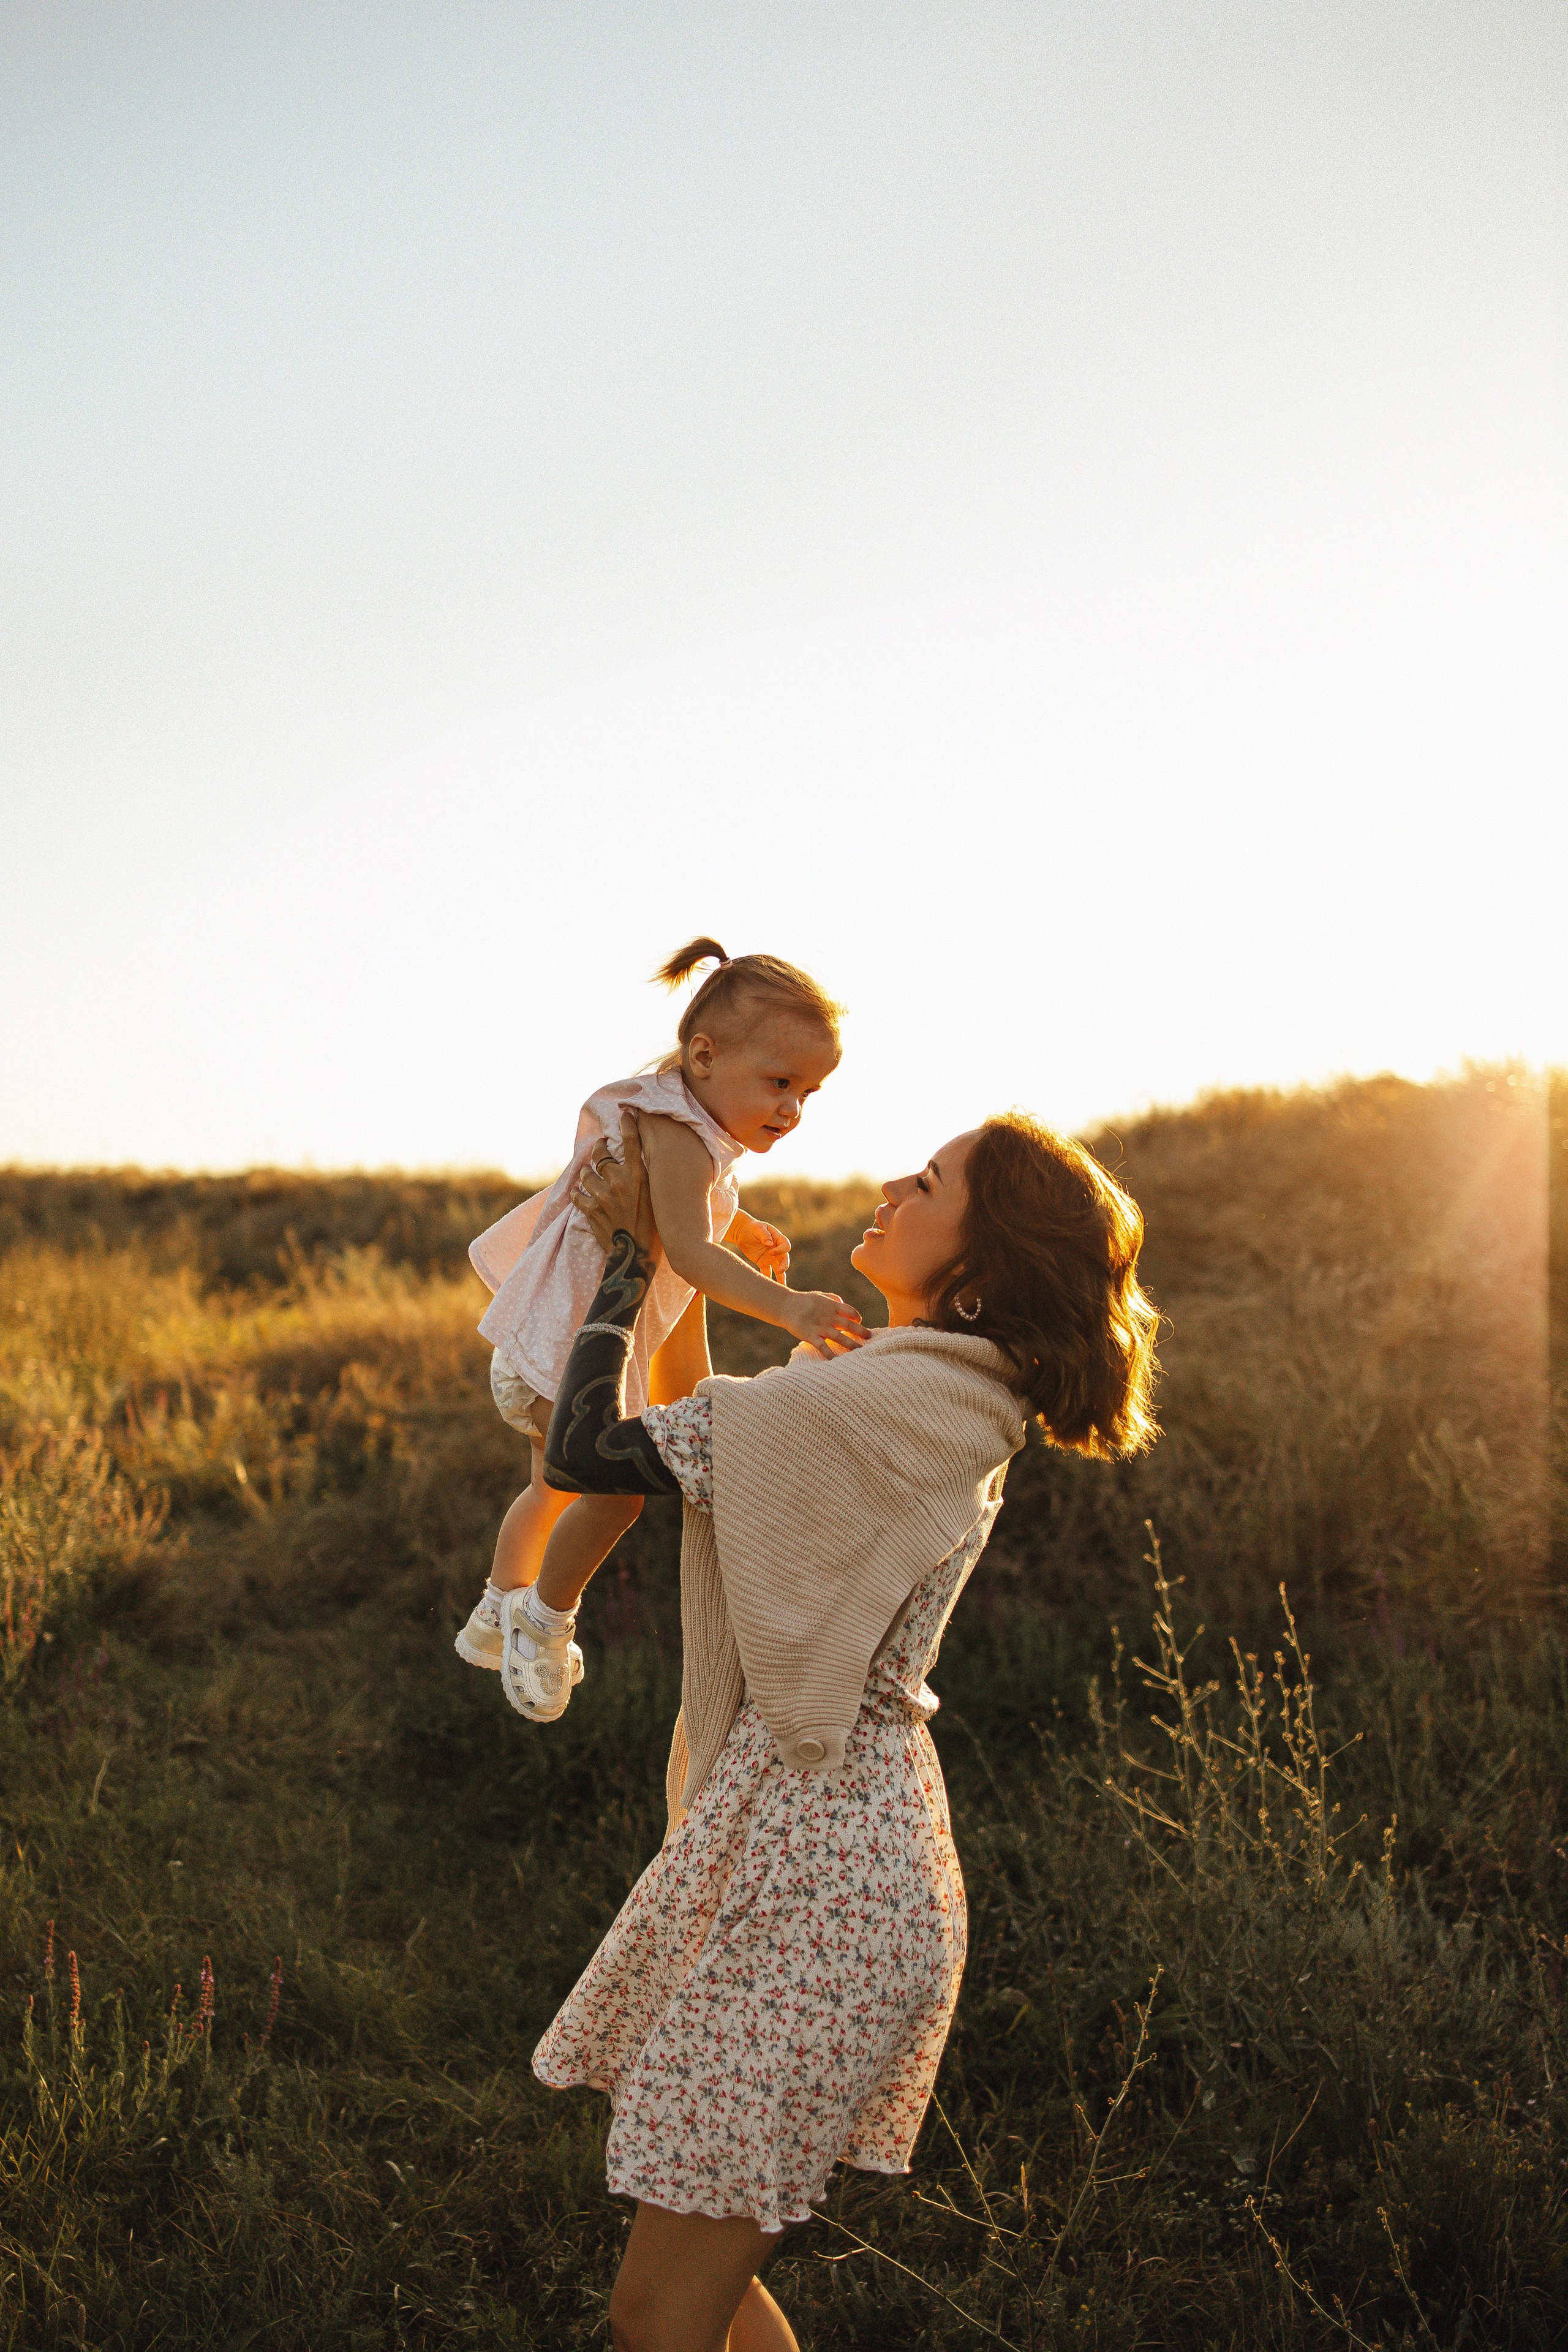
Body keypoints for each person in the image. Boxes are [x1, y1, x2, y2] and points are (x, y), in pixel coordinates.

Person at [531, 1107, 1161, 2352]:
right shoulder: (917, 1391)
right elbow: (707, 1436)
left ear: (979, 1263)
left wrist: (628, 1256)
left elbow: (591, 1451)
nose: (890, 1184)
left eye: (927, 1181)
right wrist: (686, 1273)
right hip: (821, 1852)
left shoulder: (893, 1398)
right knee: (689, 2302)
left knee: (657, 2317)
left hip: (823, 1881)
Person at [454, 940, 867, 1722]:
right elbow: (686, 1250)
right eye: (779, 1083)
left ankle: (495, 1609)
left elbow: (690, 1210)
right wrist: (789, 1308)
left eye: (809, 1093)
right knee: (613, 1495)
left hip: (545, 1349)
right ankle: (543, 1620)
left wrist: (739, 1226)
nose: (792, 1109)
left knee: (550, 1486)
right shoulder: (677, 1131)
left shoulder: (685, 1126)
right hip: (561, 1353)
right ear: (704, 1056)